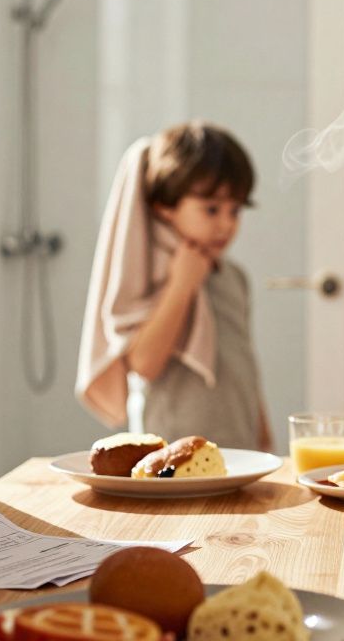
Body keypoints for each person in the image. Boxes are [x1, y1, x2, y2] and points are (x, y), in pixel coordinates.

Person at [78, 121, 272, 452]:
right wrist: (181, 285)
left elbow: (245, 365)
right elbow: (144, 364)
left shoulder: (232, 275)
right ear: (164, 207)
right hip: (169, 452)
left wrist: (263, 437)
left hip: (239, 445)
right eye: (211, 209)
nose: (226, 224)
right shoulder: (151, 272)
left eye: (235, 210)